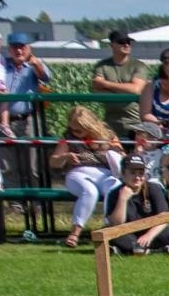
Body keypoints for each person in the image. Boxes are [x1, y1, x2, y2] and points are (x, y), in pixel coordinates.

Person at [47, 105, 123, 249]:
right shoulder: (68, 136)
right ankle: (75, 233)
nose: (75, 132)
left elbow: (122, 156)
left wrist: (116, 157)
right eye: (73, 128)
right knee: (89, 191)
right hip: (77, 173)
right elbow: (53, 162)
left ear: (89, 125)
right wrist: (65, 156)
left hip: (105, 174)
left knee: (115, 188)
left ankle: (110, 229)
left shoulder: (108, 134)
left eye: (79, 129)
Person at [0, 32, 52, 190]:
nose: (19, 51)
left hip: (28, 118)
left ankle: (36, 198)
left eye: (22, 47)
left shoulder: (34, 65)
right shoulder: (2, 65)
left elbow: (46, 78)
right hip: (5, 119)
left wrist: (36, 65)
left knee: (32, 163)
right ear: (9, 49)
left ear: (29, 48)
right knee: (8, 164)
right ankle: (15, 202)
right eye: (15, 47)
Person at [104, 158, 169, 256]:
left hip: (151, 231)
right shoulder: (115, 193)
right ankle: (153, 251)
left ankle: (130, 250)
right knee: (110, 235)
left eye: (140, 173)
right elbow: (116, 224)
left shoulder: (153, 188)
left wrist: (149, 236)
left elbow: (164, 218)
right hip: (127, 233)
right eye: (132, 173)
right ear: (123, 174)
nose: (137, 177)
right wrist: (122, 199)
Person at [89, 30, 147, 141]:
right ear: (112, 45)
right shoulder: (102, 66)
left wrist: (105, 84)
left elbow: (135, 89)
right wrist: (125, 89)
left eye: (128, 42)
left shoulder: (138, 65)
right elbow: (97, 90)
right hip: (110, 123)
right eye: (121, 42)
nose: (126, 45)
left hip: (135, 122)